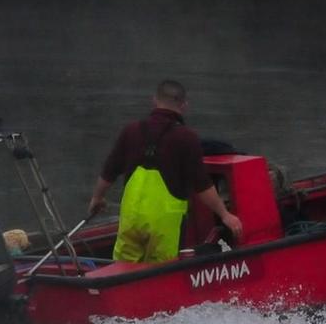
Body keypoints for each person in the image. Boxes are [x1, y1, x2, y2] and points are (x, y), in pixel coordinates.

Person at [88, 79, 244, 264]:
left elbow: (108, 172)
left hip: (131, 218)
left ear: (154, 100)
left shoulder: (131, 131)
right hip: (163, 223)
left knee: (123, 266)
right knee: (161, 269)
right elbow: (202, 185)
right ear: (184, 105)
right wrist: (225, 215)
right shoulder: (186, 138)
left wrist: (97, 198)